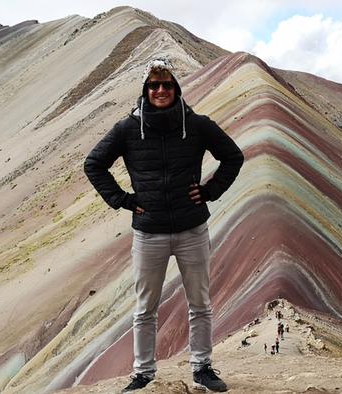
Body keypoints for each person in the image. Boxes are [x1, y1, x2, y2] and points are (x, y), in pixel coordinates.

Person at [84, 57, 244, 392]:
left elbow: (233, 156)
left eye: (167, 84)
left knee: (199, 303)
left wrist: (210, 190)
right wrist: (124, 200)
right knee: (145, 308)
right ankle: (143, 374)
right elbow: (94, 164)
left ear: (176, 88)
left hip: (192, 229)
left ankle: (202, 368)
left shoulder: (197, 125)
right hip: (149, 232)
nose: (160, 90)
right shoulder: (128, 129)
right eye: (154, 85)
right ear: (145, 89)